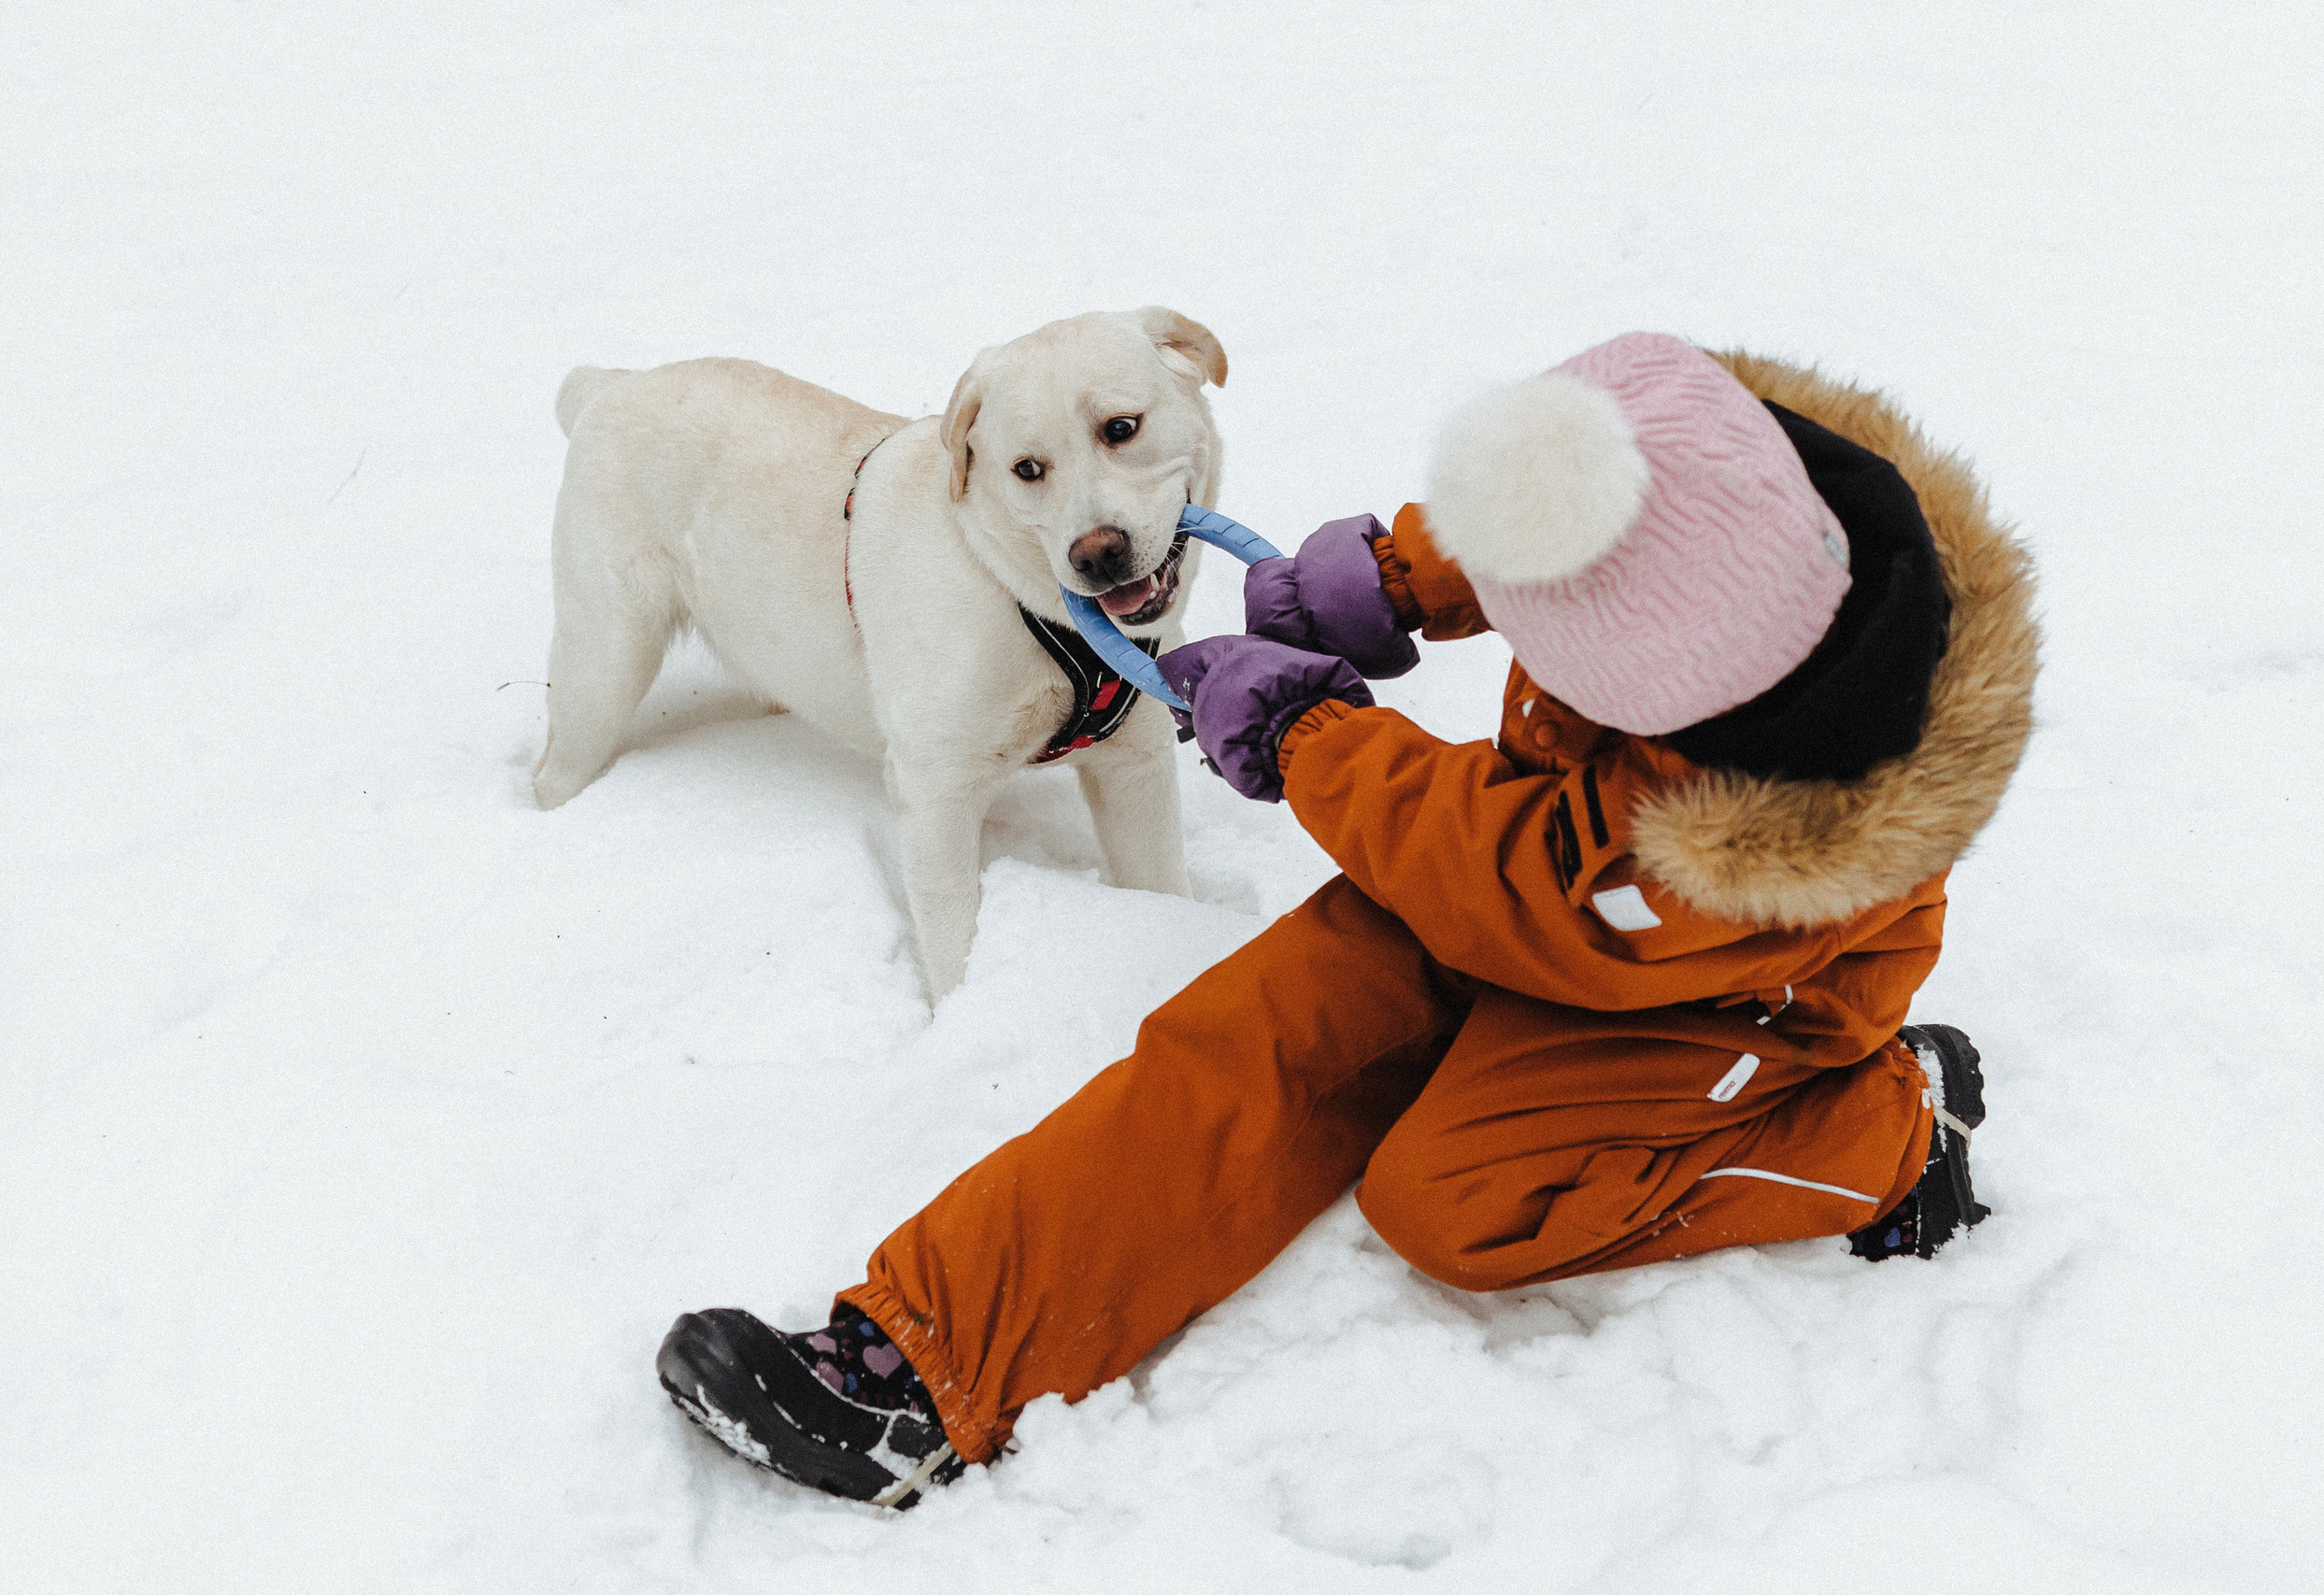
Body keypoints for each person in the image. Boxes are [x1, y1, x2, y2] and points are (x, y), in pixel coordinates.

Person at [653, 332, 2040, 1511]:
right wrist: (1398, 576)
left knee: (1457, 1201)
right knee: (1250, 1038)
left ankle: (1892, 1133)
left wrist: (1313, 734)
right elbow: (1590, 476)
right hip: (1537, 878)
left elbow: (1522, 885)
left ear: (1668, 692)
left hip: (1719, 1001)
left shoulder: (1733, 834)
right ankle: (923, 1360)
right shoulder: (1738, 486)